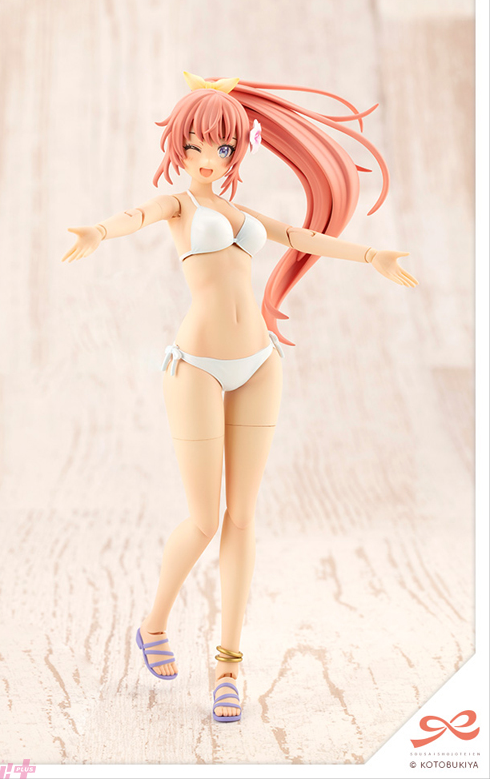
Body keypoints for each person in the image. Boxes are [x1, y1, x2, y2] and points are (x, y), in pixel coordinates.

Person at [62, 71, 418, 723]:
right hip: (195, 366)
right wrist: (97, 232)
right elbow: (137, 217)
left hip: (259, 363)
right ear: (177, 146)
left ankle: (227, 663)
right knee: (204, 518)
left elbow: (302, 238)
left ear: (239, 149)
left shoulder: (244, 216)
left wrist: (372, 257)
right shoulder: (179, 206)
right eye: (194, 147)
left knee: (244, 516)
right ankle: (154, 624)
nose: (207, 160)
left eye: (221, 149)